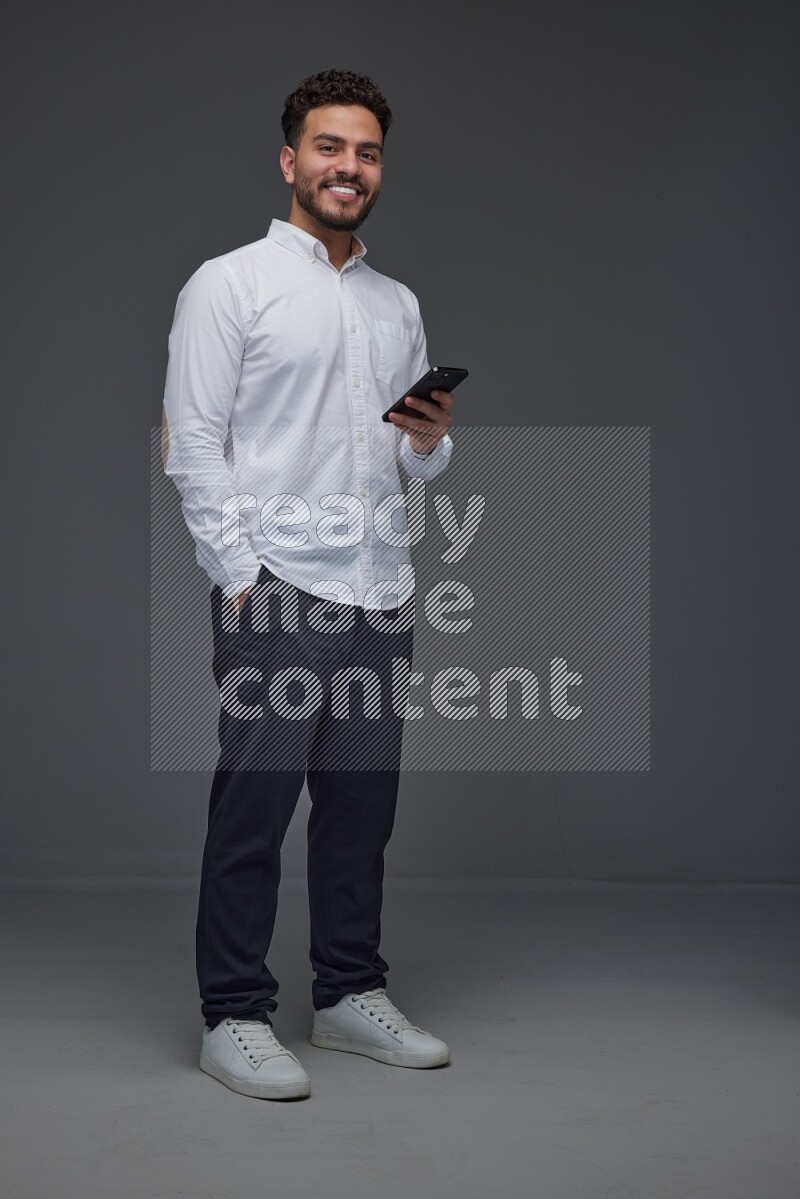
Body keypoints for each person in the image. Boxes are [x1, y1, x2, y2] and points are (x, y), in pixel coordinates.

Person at [161, 68, 456, 1100]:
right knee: (255, 804)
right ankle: (233, 1012)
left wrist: (429, 442)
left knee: (357, 808)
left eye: (366, 152)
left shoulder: (395, 303)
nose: (348, 167)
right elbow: (192, 446)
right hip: (278, 586)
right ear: (291, 161)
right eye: (329, 148)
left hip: (379, 587)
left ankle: (344, 995)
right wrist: (241, 577)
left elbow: (409, 465)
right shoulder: (228, 284)